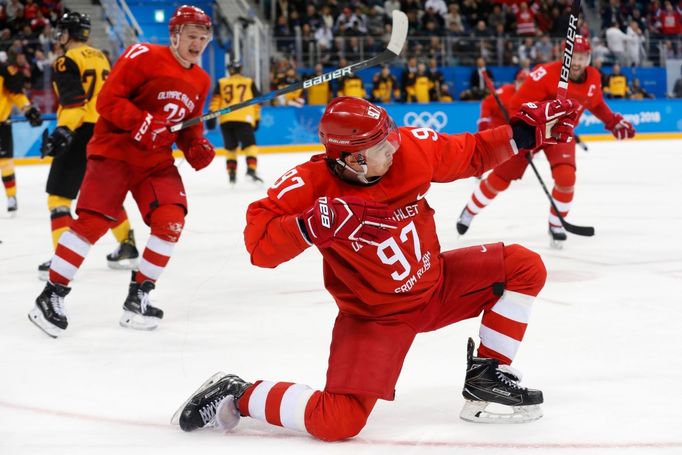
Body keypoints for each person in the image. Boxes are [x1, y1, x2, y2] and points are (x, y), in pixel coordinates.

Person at [172, 95, 581, 440]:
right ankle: (238, 393)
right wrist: (308, 226)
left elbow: (472, 154)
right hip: (375, 317)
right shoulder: (308, 185)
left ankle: (487, 375)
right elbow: (259, 247)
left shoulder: (411, 152)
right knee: (339, 421)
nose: (394, 147)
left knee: (524, 266)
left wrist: (527, 134)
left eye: (390, 135)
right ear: (351, 160)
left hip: (436, 285)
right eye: (380, 145)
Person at [28, 4, 216, 338]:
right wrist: (142, 122)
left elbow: (189, 129)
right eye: (192, 35)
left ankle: (138, 299)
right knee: (93, 221)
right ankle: (51, 295)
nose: (197, 43)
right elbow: (107, 101)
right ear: (175, 35)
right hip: (114, 151)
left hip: (155, 162)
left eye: (203, 37)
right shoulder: (142, 54)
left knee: (171, 220)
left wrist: (196, 147)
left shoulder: (201, 80)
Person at [456, 36, 636, 249]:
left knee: (566, 177)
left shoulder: (594, 77)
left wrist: (612, 121)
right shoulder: (544, 75)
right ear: (564, 57)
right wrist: (537, 122)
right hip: (532, 131)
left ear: (589, 58)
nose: (577, 63)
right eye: (573, 57)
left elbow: (595, 103)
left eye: (582, 57)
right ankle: (470, 211)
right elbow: (516, 106)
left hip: (560, 134)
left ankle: (556, 224)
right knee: (500, 179)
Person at [37, 11, 139, 281]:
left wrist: (63, 131)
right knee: (104, 195)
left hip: (79, 130)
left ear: (68, 33)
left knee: (58, 198)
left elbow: (73, 103)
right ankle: (128, 245)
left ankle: (62, 258)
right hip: (105, 130)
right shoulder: (101, 56)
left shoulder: (65, 60)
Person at [206, 60, 263, 184]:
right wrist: (257, 118)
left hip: (226, 119)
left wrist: (212, 115)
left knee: (230, 148)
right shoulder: (248, 82)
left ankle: (231, 173)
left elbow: (215, 100)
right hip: (244, 117)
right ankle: (251, 169)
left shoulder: (221, 82)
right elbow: (258, 101)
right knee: (250, 146)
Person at [0, 55, 43, 214]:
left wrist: (27, 109)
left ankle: (11, 196)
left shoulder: (4, 70)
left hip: (1, 125)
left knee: (5, 163)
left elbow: (16, 93)